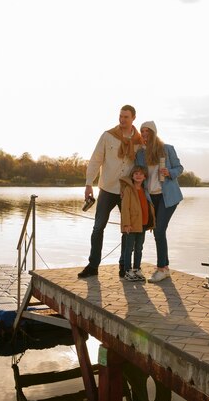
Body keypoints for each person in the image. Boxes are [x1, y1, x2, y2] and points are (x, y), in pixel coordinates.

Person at [78, 105, 142, 278]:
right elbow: (95, 159)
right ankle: (93, 266)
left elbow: (142, 166)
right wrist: (88, 183)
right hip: (107, 188)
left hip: (126, 191)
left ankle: (124, 266)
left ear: (133, 118)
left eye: (126, 117)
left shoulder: (139, 141)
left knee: (127, 229)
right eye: (120, 116)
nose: (122, 120)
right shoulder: (108, 136)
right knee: (98, 227)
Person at [136, 121, 183, 283]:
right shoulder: (141, 154)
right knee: (158, 230)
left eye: (147, 131)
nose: (144, 134)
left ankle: (161, 268)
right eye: (142, 132)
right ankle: (166, 268)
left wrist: (169, 172)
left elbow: (180, 168)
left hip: (168, 197)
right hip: (151, 197)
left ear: (154, 133)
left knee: (159, 230)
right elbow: (139, 173)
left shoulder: (167, 149)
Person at [119, 165, 155, 281]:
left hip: (143, 225)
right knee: (129, 249)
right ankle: (127, 270)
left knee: (139, 248)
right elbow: (125, 208)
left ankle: (137, 269)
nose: (138, 176)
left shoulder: (145, 190)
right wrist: (126, 224)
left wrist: (151, 223)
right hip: (131, 225)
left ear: (145, 177)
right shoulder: (128, 190)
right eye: (136, 174)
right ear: (132, 176)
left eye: (141, 174)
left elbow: (148, 207)